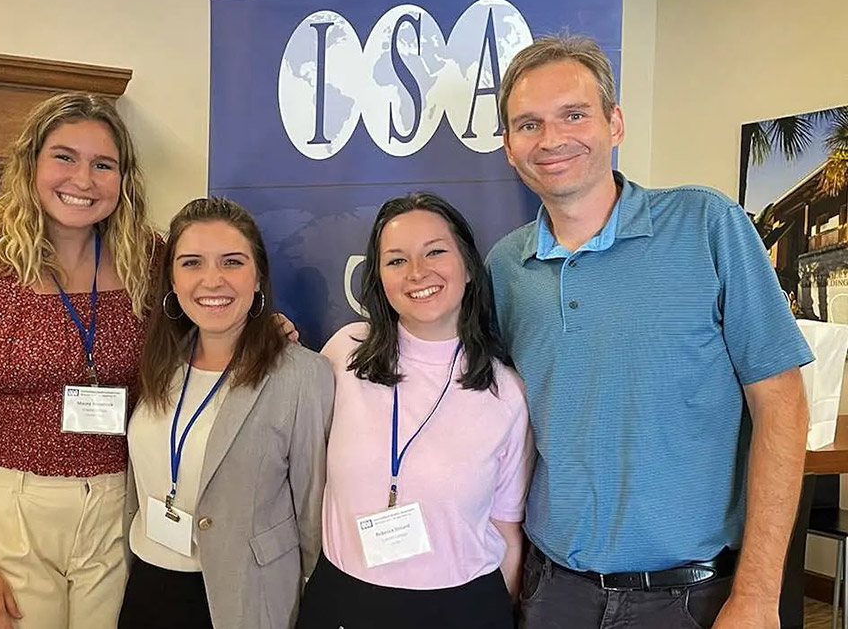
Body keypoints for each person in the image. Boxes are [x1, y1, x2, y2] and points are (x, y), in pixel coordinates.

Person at [487, 34, 813, 629]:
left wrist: (759, 594)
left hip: (691, 600)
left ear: (615, 123)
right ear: (509, 148)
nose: (552, 138)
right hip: (552, 592)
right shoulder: (504, 267)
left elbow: (782, 404)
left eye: (574, 114)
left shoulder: (707, 225)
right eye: (528, 124)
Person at [0, 92, 158, 629]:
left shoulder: (149, 262)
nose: (83, 180)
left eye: (103, 164)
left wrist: (266, 326)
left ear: (123, 178)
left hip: (118, 511)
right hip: (4, 513)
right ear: (30, 164)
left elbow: (216, 307)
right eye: (64, 157)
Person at [296, 193, 533, 629]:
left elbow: (506, 532)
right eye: (396, 260)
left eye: (436, 252)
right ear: (378, 277)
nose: (417, 273)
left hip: (462, 608)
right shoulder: (343, 353)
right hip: (343, 600)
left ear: (467, 266)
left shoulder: (506, 392)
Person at [118, 197, 334, 629]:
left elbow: (313, 515)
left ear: (258, 278)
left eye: (232, 262)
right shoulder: (157, 361)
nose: (211, 280)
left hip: (244, 597)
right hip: (146, 584)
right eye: (192, 263)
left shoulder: (302, 376)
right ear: (173, 282)